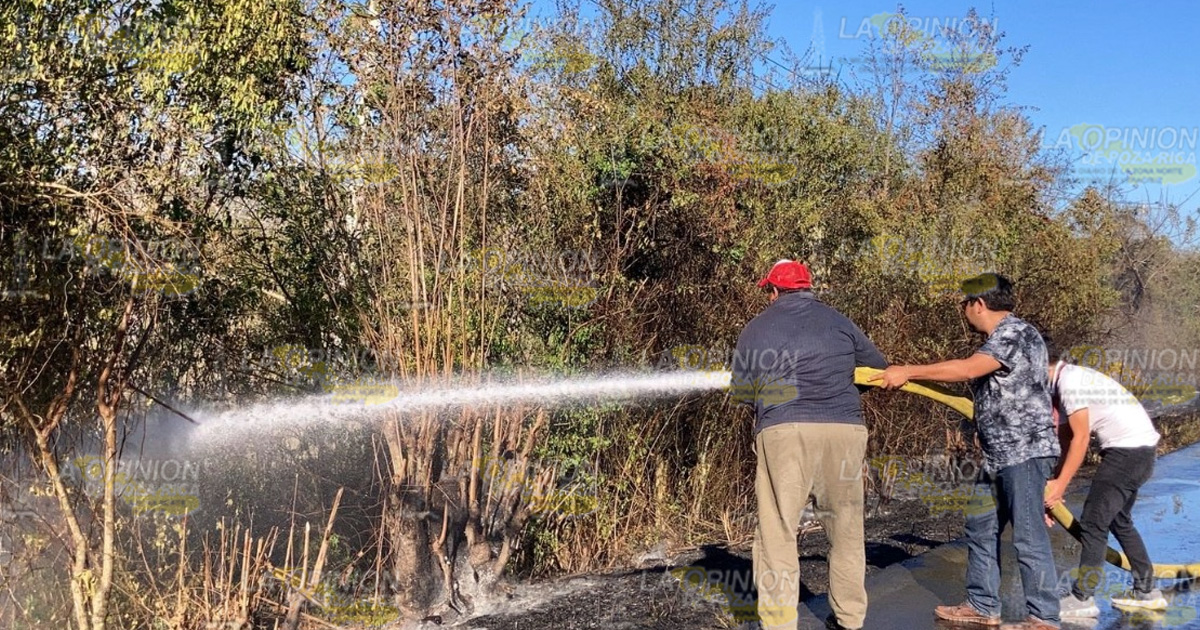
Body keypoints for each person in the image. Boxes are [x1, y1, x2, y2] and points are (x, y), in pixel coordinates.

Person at [870, 273, 1061, 630]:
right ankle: (982, 604)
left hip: (1024, 452)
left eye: (964, 304)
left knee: (1028, 535)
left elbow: (967, 369)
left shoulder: (1015, 334)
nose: (963, 312)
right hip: (998, 454)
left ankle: (1044, 617)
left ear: (979, 304)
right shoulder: (1002, 338)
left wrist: (908, 371)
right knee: (981, 526)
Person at [732, 259, 887, 630]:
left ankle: (780, 623)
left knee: (777, 531)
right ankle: (850, 620)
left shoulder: (755, 329)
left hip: (783, 433)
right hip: (844, 431)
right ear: (807, 287)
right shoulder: (840, 322)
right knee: (846, 527)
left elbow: (742, 392)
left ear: (773, 290)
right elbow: (878, 369)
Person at [1045, 353, 1167, 617]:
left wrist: (1060, 487)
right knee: (1119, 520)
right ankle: (1147, 591)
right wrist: (1054, 482)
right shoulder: (1068, 380)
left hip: (1127, 453)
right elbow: (1066, 440)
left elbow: (1080, 440)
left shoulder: (1069, 383)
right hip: (1139, 451)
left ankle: (1082, 599)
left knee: (1092, 523)